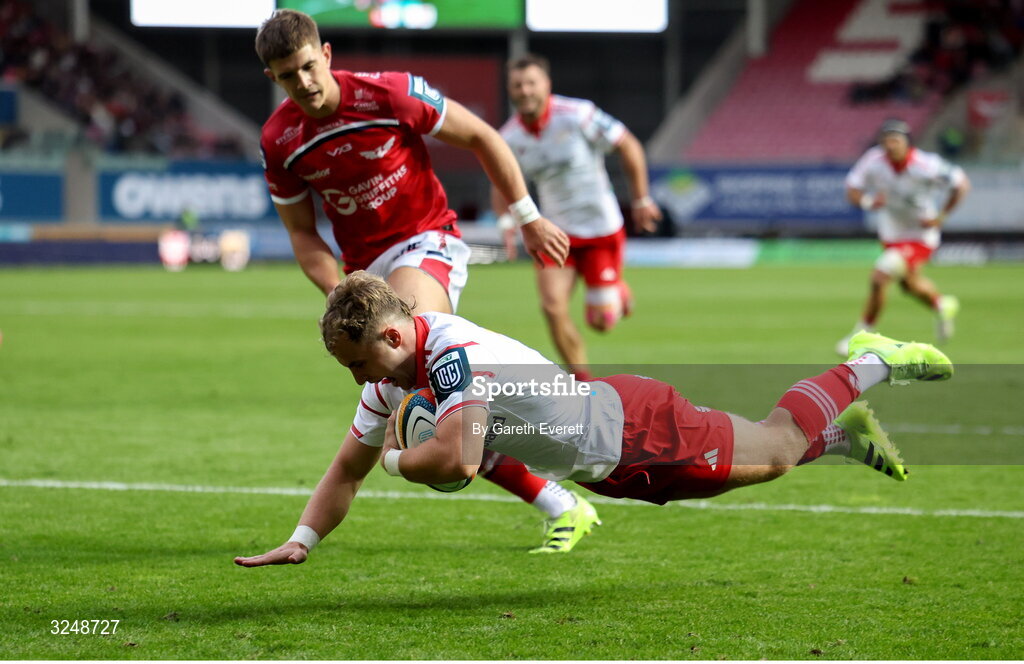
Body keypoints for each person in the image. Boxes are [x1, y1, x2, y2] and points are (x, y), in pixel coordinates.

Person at [234, 272, 953, 568]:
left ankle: (869, 360)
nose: (358, 382)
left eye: (358, 364)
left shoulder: (451, 356)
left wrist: (397, 458)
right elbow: (345, 468)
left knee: (777, 446)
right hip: (610, 460)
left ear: (391, 338)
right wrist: (301, 540)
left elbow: (454, 463)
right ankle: (847, 437)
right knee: (770, 459)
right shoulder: (396, 384)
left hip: (637, 434)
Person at [255, 9, 598, 552]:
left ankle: (565, 480)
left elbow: (483, 135)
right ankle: (559, 500)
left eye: (305, 67)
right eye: (286, 75)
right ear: (272, 78)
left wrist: (528, 216)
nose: (302, 83)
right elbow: (303, 234)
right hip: (362, 273)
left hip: (425, 241)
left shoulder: (388, 94)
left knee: (415, 387)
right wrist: (339, 293)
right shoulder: (279, 140)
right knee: (425, 403)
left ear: (325, 55)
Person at [492, 54, 663, 381]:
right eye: (517, 85)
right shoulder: (509, 137)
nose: (525, 91)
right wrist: (506, 222)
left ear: (547, 86)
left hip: (601, 231)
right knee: (552, 307)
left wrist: (641, 199)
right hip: (555, 234)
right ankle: (585, 386)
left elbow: (629, 146)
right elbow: (501, 181)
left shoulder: (578, 115)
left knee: (600, 324)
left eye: (531, 83)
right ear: (510, 90)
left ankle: (617, 292)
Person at [836, 118, 970, 356]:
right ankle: (942, 305)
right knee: (909, 285)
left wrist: (941, 217)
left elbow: (961, 184)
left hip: (920, 234)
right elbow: (852, 189)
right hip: (892, 232)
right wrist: (868, 201)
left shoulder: (926, 164)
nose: (890, 145)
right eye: (886, 140)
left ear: (907, 143)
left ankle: (862, 335)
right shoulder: (873, 161)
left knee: (879, 277)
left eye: (895, 140)